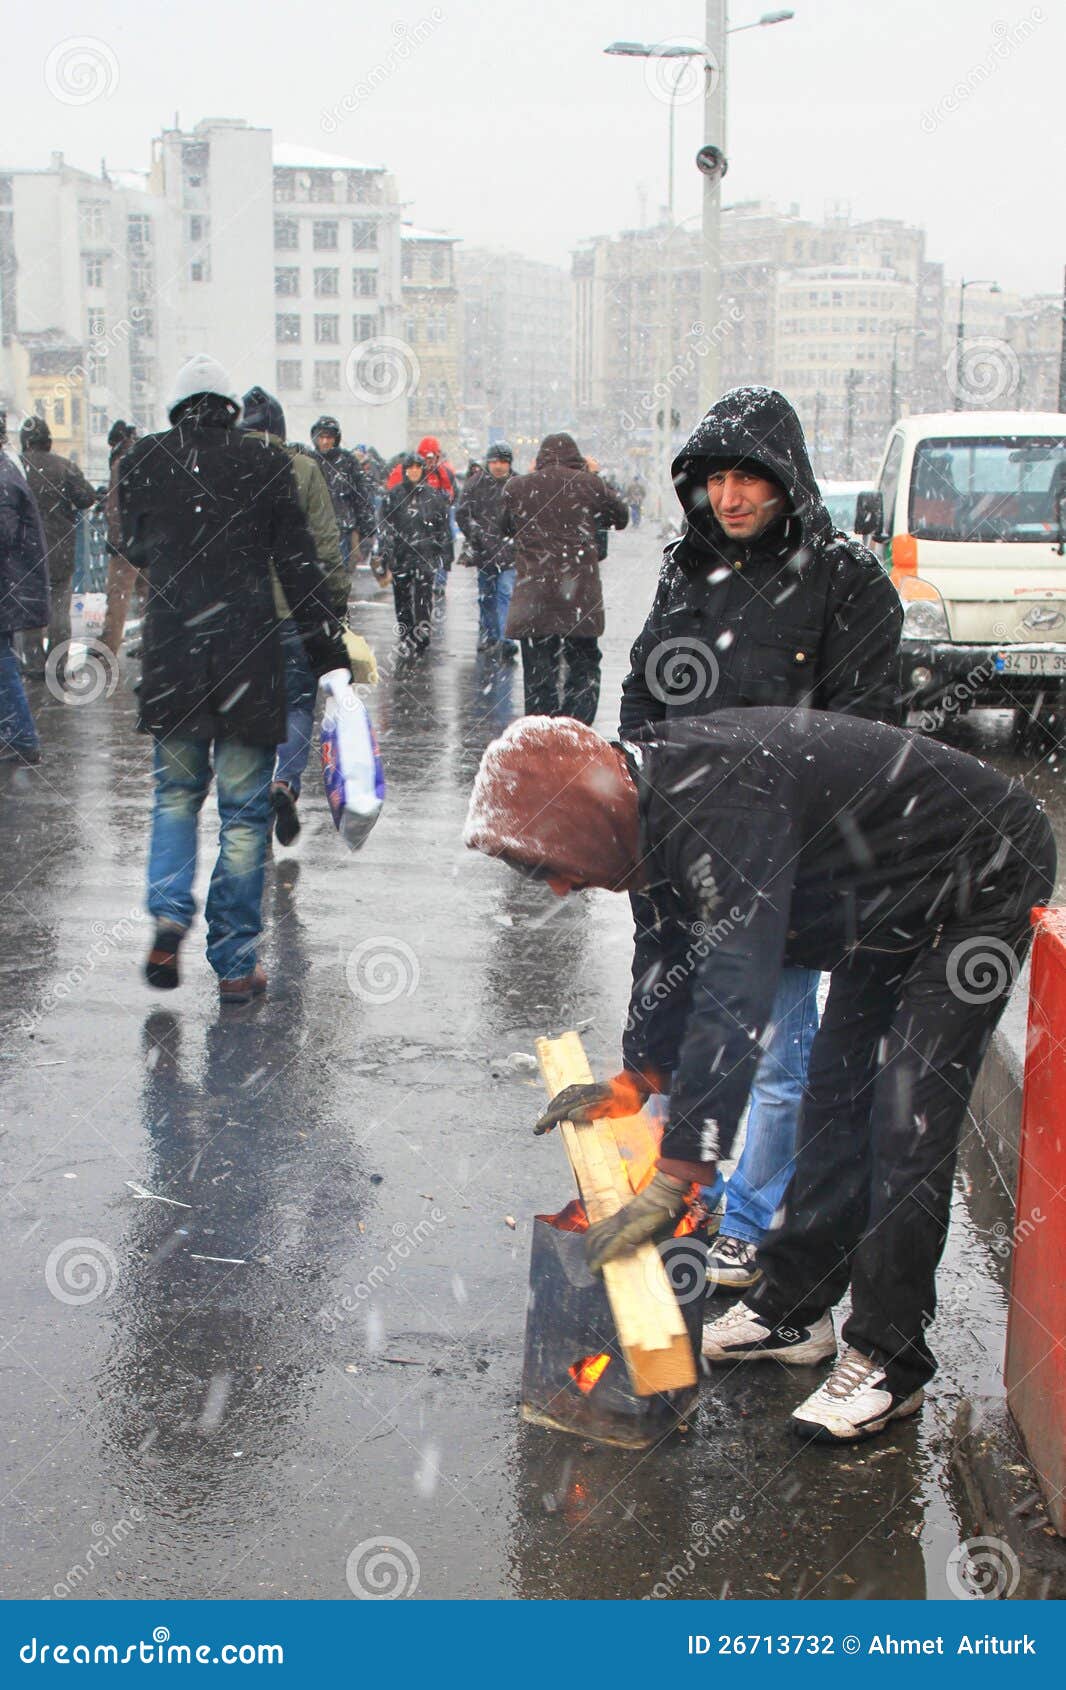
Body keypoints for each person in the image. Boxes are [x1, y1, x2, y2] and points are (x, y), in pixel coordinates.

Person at [465, 708, 1055, 1443]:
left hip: (977, 880)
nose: (556, 889)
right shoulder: (644, 812)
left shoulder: (723, 804)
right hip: (885, 898)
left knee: (907, 1121)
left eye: (546, 865)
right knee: (835, 1098)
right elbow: (667, 951)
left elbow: (733, 992)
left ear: (582, 820)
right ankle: (793, 1311)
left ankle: (889, 1360)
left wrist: (681, 1172)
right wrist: (638, 1079)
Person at [620, 386, 903, 1294]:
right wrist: (643, 787)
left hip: (792, 859)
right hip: (685, 849)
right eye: (715, 480)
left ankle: (748, 1221)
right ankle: (681, 1197)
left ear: (788, 479)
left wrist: (811, 836)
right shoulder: (687, 567)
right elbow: (643, 688)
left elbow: (868, 733)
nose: (730, 497)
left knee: (780, 1050)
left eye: (749, 478)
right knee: (674, 1029)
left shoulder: (847, 580)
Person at [120, 354, 350, 1004]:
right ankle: (235, 962)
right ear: (230, 410)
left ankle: (169, 917)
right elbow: (300, 567)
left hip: (174, 661)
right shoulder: (267, 464)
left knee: (175, 797)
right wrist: (328, 653)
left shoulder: (143, 460)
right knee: (244, 818)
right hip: (249, 659)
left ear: (177, 407)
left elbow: (134, 546)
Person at [240, 386, 352, 846]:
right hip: (296, 611)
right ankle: (284, 781)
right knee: (298, 703)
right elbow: (326, 541)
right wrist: (336, 599)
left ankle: (251, 808)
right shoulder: (303, 469)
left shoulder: (226, 469)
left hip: (241, 616)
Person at [503, 433, 628, 725]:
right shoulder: (590, 484)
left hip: (534, 597)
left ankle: (542, 732)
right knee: (583, 666)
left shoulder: (519, 486)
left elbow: (505, 526)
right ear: (578, 458)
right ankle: (575, 728)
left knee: (538, 673)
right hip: (578, 596)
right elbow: (621, 517)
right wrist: (594, 476)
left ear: (540, 457)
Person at [17, 416, 99, 683]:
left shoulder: (16, 467)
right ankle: (59, 663)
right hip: (59, 551)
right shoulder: (64, 466)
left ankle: (33, 664)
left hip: (25, 552)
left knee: (29, 608)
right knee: (59, 610)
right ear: (48, 440)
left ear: (25, 441)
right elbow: (86, 497)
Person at [0, 411, 49, 766]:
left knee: (2, 662)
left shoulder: (3, 475)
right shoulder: (6, 468)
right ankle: (17, 735)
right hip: (11, 581)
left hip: (7, 582)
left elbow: (4, 533)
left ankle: (21, 737)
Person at [377, 453, 452, 656]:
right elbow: (385, 525)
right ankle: (406, 633)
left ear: (422, 470)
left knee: (423, 597)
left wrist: (444, 554)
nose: (414, 471)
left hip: (425, 554)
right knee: (402, 597)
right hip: (401, 554)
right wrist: (385, 553)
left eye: (417, 467)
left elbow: (443, 527)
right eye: (410, 467)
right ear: (405, 470)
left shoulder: (432, 496)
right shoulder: (394, 495)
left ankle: (422, 632)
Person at [456, 443, 518, 657]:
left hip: (509, 551)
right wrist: (475, 534)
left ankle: (505, 637)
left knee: (505, 593)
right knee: (487, 595)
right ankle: (489, 633)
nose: (498, 466)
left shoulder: (518, 484)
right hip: (484, 551)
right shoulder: (476, 484)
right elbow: (462, 513)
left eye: (503, 462)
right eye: (494, 462)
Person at [309, 416, 374, 578]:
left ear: (335, 439)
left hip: (341, 529)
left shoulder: (347, 461)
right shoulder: (309, 461)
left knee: (338, 576)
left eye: (329, 437)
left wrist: (365, 525)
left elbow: (362, 493)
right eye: (321, 437)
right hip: (314, 530)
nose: (325, 442)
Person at [99, 421, 141, 658]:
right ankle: (150, 644)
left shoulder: (120, 463)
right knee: (148, 596)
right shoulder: (145, 457)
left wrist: (116, 541)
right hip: (147, 539)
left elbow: (114, 506)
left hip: (126, 542)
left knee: (117, 597)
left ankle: (109, 647)